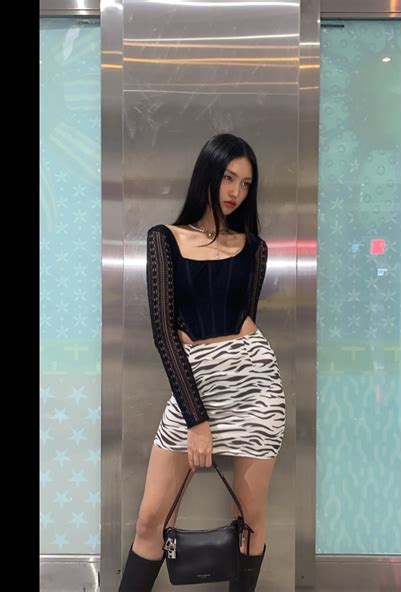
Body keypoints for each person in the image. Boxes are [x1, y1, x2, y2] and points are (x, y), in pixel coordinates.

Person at [119, 133, 286, 591]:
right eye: (228, 178)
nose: (236, 192)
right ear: (208, 175)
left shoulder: (254, 248)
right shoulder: (165, 239)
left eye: (246, 184)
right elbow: (164, 334)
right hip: (195, 388)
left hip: (256, 389)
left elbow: (244, 318)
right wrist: (196, 419)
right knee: (151, 521)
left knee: (249, 521)